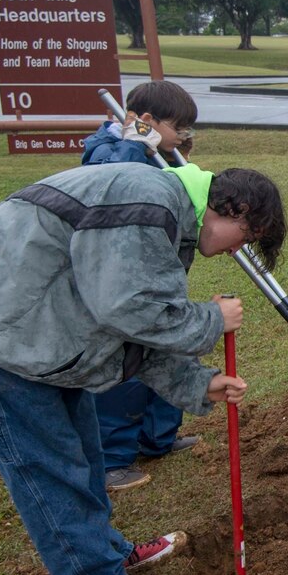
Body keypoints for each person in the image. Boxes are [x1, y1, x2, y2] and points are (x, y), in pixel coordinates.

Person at [0, 161, 285, 575]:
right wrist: (211, 320)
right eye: (246, 236)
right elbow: (129, 308)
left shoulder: (166, 215)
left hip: (42, 334)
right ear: (233, 209)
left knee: (83, 455)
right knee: (50, 467)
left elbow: (126, 324)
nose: (239, 248)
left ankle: (105, 550)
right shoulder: (146, 201)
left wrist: (198, 383)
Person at [77, 79, 204, 494]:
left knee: (172, 347)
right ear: (146, 122)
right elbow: (110, 185)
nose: (181, 137)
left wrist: (176, 153)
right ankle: (113, 460)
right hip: (123, 283)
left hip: (160, 271)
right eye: (178, 129)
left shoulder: (159, 152)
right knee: (126, 372)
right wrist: (136, 145)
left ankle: (158, 439)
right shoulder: (107, 150)